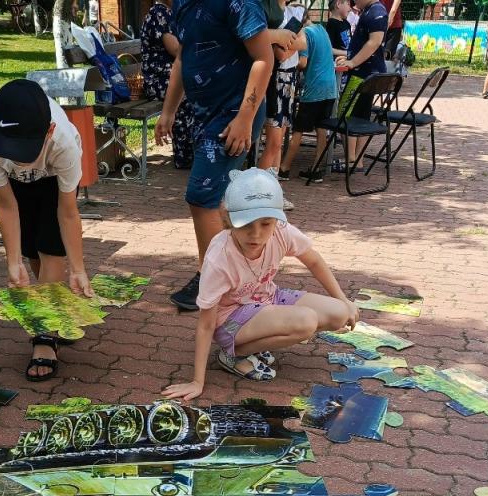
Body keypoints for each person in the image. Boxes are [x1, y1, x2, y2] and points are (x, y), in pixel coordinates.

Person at [161, 168, 356, 399]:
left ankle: (258, 341)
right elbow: (206, 324)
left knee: (340, 313)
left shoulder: (281, 231)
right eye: (245, 224)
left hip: (267, 298)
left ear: (277, 219)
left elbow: (313, 261)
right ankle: (232, 354)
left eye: (265, 224)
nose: (256, 234)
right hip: (230, 319)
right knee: (306, 321)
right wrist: (197, 382)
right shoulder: (219, 257)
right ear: (228, 219)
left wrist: (344, 300)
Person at [156, 0, 283, 312]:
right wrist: (168, 111)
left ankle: (213, 279)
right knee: (215, 199)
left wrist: (244, 118)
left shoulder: (239, 3)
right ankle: (237, 273)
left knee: (201, 197)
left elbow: (264, 58)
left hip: (233, 115)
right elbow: (183, 57)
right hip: (203, 115)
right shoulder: (182, 5)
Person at [0, 79, 94, 381]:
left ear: (48, 131)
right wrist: (12, 262)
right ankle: (54, 308)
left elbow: (67, 213)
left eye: (24, 149)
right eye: (10, 148)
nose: (17, 157)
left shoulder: (63, 142)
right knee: (31, 250)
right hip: (17, 186)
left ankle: (44, 337)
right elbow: (6, 206)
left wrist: (78, 268)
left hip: (54, 180)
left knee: (50, 248)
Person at [280, 9, 338, 183]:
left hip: (314, 89)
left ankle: (284, 168)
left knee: (298, 129)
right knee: (321, 128)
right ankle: (316, 169)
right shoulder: (321, 29)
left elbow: (303, 63)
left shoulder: (304, 33)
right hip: (330, 88)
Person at [258, 0, 305, 198]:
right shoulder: (269, 13)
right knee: (273, 143)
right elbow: (280, 54)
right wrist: (290, 43)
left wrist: (288, 43)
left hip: (290, 78)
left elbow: (304, 42)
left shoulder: (294, 10)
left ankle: (273, 191)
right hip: (276, 79)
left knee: (279, 142)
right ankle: (256, 191)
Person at [141, 0, 195, 169]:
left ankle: (196, 150)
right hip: (158, 80)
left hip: (169, 76)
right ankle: (185, 156)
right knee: (185, 95)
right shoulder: (159, 13)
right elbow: (176, 49)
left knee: (198, 89)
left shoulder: (173, 13)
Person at [335, 0, 388, 167]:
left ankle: (352, 159)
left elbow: (374, 42)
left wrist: (353, 62)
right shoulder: (371, 10)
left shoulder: (376, 11)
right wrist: (350, 57)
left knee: (345, 113)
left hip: (362, 75)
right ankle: (356, 160)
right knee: (361, 115)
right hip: (366, 73)